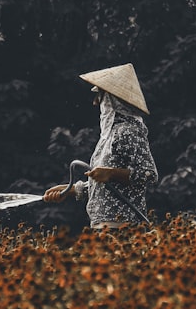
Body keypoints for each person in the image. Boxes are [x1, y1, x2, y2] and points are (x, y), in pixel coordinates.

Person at [43, 63, 158, 228]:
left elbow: (148, 175)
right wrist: (71, 190)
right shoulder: (110, 134)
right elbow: (107, 184)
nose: (95, 102)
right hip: (103, 226)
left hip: (123, 227)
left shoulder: (129, 131)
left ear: (112, 99)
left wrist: (110, 173)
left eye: (100, 95)